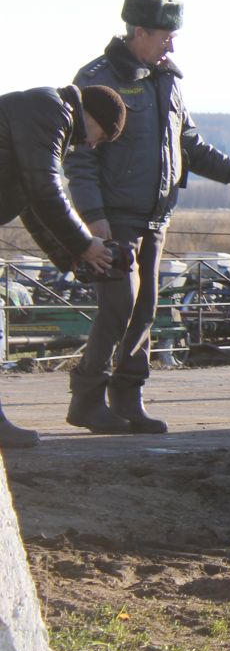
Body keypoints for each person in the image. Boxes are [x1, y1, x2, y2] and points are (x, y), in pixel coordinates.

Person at [65, 0, 230, 435]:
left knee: (144, 308)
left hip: (156, 217)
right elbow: (79, 156)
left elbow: (190, 146)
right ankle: (87, 398)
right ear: (139, 32)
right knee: (118, 305)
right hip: (114, 218)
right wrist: (94, 217)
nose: (171, 47)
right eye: (165, 37)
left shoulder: (169, 82)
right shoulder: (96, 80)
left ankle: (127, 396)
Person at [0, 84, 129, 448]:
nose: (91, 145)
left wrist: (71, 257)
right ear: (91, 117)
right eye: (99, 136)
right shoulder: (49, 111)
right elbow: (45, 188)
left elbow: (30, 203)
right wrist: (85, 244)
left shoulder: (40, 113)